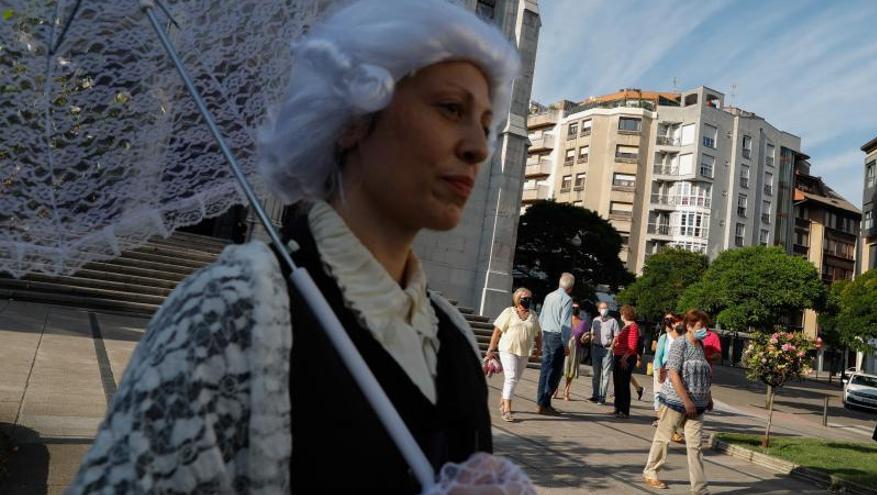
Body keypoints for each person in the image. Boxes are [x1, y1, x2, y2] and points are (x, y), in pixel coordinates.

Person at [68, 1, 525, 493]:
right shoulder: (232, 311)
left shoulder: (453, 336)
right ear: (354, 119)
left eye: (485, 121)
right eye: (451, 109)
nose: (479, 146)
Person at [643, 309, 714, 494]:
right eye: (700, 326)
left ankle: (699, 489)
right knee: (663, 438)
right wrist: (685, 400)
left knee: (695, 446)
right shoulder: (679, 344)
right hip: (676, 402)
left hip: (698, 405)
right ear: (689, 326)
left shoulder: (700, 345)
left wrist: (708, 397)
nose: (704, 329)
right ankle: (651, 472)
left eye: (705, 326)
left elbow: (703, 373)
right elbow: (673, 373)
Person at [486, 288, 542, 422]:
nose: (528, 300)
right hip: (508, 349)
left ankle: (503, 400)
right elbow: (497, 332)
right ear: (518, 298)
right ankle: (507, 410)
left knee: (514, 379)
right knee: (511, 377)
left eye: (529, 298)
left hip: (524, 352)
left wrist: (539, 349)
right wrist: (491, 348)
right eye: (525, 297)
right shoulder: (509, 312)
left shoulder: (533, 315)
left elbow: (538, 334)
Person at [536, 273, 575, 415]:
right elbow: (565, 324)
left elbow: (542, 316)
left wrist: (540, 336)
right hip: (557, 337)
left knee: (545, 370)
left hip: (546, 334)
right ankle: (544, 403)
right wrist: (565, 344)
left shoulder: (549, 296)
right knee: (555, 372)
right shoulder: (567, 300)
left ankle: (543, 402)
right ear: (570, 287)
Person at [611, 305, 640, 419]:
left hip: (625, 358)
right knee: (617, 383)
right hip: (618, 356)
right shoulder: (625, 327)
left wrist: (624, 358)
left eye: (622, 313)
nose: (621, 315)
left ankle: (624, 410)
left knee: (623, 384)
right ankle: (617, 408)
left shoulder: (633, 327)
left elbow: (632, 346)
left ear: (625, 314)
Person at [557, 303, 590, 401]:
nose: (575, 309)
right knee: (560, 369)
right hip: (564, 346)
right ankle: (555, 389)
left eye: (577, 308)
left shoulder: (583, 323)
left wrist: (586, 338)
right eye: (573, 308)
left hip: (576, 348)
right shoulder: (565, 320)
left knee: (570, 371)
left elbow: (584, 338)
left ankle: (566, 391)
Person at [589, 301, 619, 405]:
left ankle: (602, 397)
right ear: (598, 309)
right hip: (596, 348)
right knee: (595, 374)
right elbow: (592, 333)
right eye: (602, 308)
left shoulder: (613, 321)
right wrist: (590, 339)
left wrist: (611, 346)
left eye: (606, 308)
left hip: (607, 349)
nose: (604, 310)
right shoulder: (595, 320)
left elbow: (616, 335)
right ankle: (595, 395)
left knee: (605, 375)